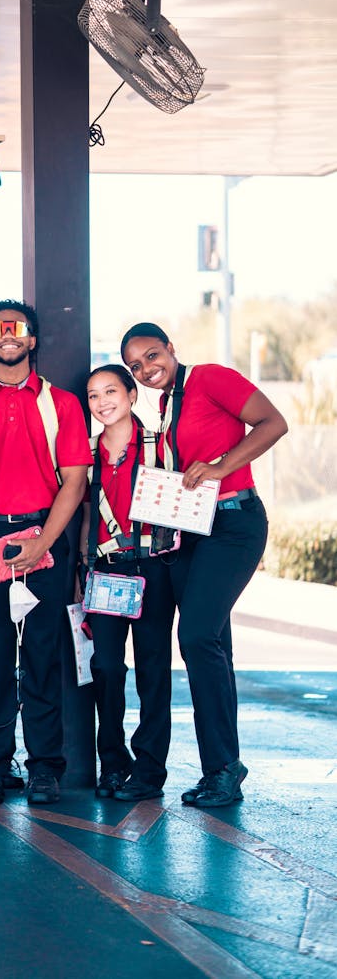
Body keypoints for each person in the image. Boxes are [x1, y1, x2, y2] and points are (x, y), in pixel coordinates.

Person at [121, 323, 288, 808]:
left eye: (153, 356)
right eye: (136, 366)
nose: (147, 369)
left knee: (194, 636)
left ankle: (223, 768)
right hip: (193, 530)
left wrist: (219, 466)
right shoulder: (167, 405)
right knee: (212, 642)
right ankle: (222, 767)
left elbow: (273, 423)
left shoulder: (210, 378)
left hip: (235, 523)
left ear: (171, 348)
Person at [0, 299, 92, 807]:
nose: (8, 336)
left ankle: (44, 768)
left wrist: (44, 541)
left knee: (43, 659)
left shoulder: (61, 403)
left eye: (18, 329)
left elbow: (74, 481)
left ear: (31, 339)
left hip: (43, 538)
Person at [78, 365, 175, 802]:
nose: (102, 402)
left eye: (111, 391)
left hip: (152, 570)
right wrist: (82, 572)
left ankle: (150, 769)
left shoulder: (160, 446)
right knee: (106, 669)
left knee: (153, 671)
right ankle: (113, 764)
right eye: (94, 395)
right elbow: (82, 515)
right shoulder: (85, 454)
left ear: (132, 395)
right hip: (106, 573)